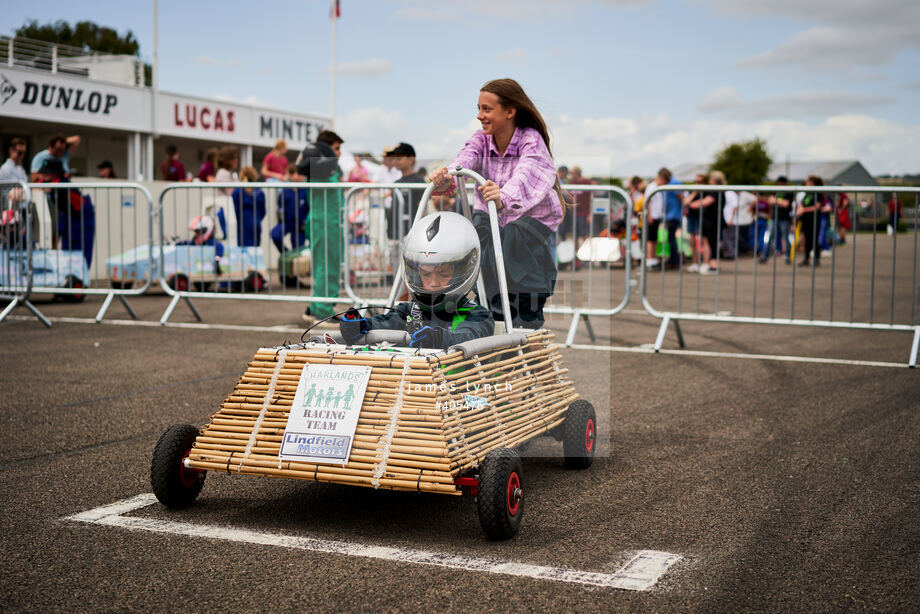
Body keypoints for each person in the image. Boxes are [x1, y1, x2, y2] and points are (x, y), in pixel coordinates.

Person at [428, 78, 565, 329]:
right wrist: (446, 174)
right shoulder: (481, 139)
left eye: (487, 109)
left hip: (528, 219)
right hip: (491, 214)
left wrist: (504, 195)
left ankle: (526, 331)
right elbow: (465, 159)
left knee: (520, 273)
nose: (480, 115)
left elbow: (528, 172)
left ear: (510, 111)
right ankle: (487, 324)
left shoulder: (530, 139)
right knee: (483, 270)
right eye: (478, 108)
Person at [339, 211, 493, 349]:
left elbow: (467, 336)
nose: (433, 283)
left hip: (458, 381)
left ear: (463, 271)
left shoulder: (478, 315)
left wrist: (438, 339)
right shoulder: (410, 311)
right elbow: (386, 322)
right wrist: (361, 324)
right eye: (426, 274)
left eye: (443, 274)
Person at [298, 130, 345, 325]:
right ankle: (323, 311)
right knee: (326, 265)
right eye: (336, 148)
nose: (339, 153)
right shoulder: (320, 167)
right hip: (324, 221)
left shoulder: (326, 168)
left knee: (327, 264)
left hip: (328, 221)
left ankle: (317, 306)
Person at [389, 142, 425, 239]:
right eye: (395, 158)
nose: (396, 161)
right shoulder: (396, 183)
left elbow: (422, 207)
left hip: (411, 232)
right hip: (395, 231)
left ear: (411, 159)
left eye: (399, 158)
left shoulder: (418, 181)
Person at [271, 163, 308, 252]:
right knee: (275, 234)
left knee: (298, 249)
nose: (299, 176)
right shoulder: (285, 190)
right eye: (294, 173)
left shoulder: (305, 190)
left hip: (300, 225)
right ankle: (287, 255)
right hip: (287, 222)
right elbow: (280, 206)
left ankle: (293, 259)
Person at [231, 166, 266, 247]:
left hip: (241, 225)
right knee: (255, 252)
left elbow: (233, 210)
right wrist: (257, 219)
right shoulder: (259, 191)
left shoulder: (237, 191)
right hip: (256, 224)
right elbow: (263, 211)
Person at [795, 174, 824, 267]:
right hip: (805, 219)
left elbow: (817, 207)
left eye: (808, 182)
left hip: (814, 219)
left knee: (814, 239)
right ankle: (806, 259)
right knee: (807, 240)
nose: (806, 183)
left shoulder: (818, 193)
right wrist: (800, 209)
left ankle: (816, 258)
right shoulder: (807, 193)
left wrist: (804, 209)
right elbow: (803, 204)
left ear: (813, 183)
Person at [682, 172, 708, 271]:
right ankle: (695, 262)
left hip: (702, 218)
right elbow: (685, 203)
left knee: (703, 241)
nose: (698, 184)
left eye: (700, 182)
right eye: (696, 182)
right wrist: (694, 193)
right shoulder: (691, 191)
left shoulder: (706, 192)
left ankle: (705, 262)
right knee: (692, 241)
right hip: (691, 218)